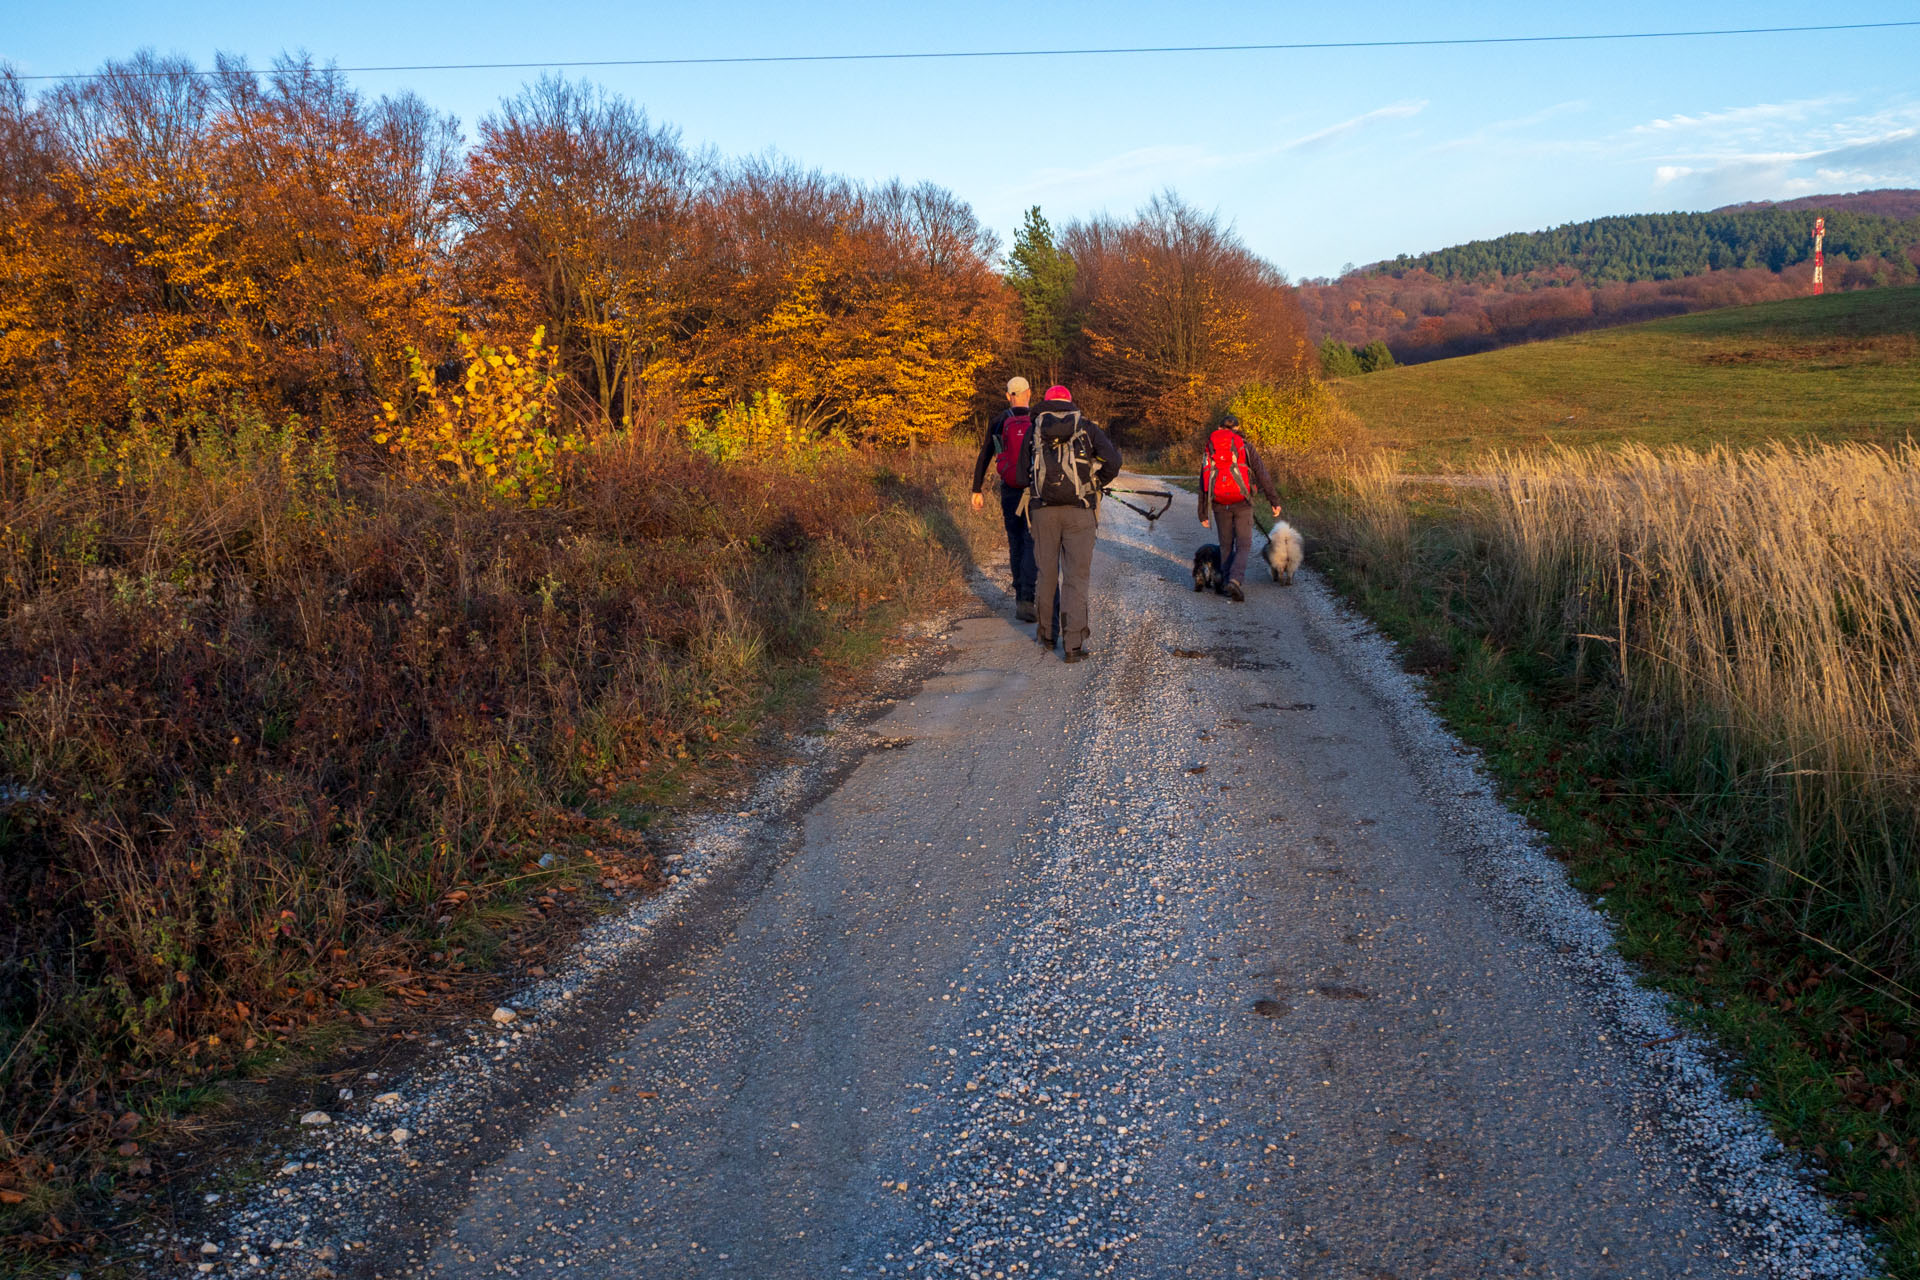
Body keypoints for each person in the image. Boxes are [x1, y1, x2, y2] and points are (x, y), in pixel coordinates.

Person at [1016, 384, 1121, 663]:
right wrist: (1095, 482)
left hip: (1042, 513)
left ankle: (1047, 636)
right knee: (1076, 578)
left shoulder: (1035, 428)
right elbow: (1114, 460)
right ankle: (1073, 645)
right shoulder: (1086, 427)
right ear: (1070, 403)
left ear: (1046, 403)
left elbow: (1019, 473)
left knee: (1047, 573)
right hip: (1080, 511)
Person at [970, 376, 1039, 621]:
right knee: (1032, 541)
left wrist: (976, 489)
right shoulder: (1038, 419)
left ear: (1008, 395)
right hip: (1034, 491)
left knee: (1015, 540)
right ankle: (1028, 599)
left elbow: (985, 454)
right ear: (1028, 392)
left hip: (1009, 490)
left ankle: (1020, 592)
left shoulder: (999, 421)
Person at [1196, 411, 1282, 603]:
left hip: (1219, 504)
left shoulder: (1210, 448)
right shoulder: (1245, 446)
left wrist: (1202, 512)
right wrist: (1274, 501)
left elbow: (1203, 479)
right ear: (1237, 429)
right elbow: (1262, 475)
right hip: (1242, 502)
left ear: (1219, 428)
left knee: (1226, 545)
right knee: (1244, 544)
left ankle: (1227, 583)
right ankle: (1235, 580)